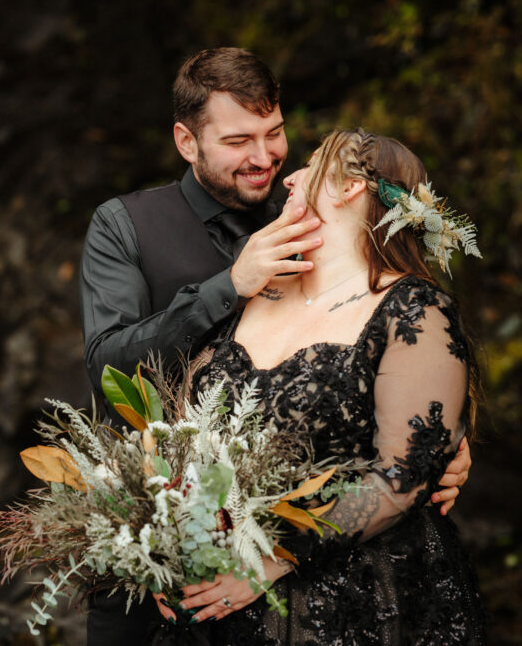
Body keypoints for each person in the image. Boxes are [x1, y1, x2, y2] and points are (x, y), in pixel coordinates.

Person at [79, 48, 473, 644]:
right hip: (164, 559)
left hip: (319, 578)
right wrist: (230, 285)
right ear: (187, 142)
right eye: (239, 141)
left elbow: (383, 352)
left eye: (276, 133)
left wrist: (439, 441)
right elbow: (107, 368)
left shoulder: (312, 213)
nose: (266, 159)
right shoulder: (125, 226)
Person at [152, 128, 487, 644]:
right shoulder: (255, 287)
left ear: (351, 185)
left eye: (310, 167)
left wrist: (269, 560)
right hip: (214, 605)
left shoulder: (414, 310)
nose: (290, 178)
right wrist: (169, 550)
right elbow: (185, 437)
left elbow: (403, 473)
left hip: (353, 604)